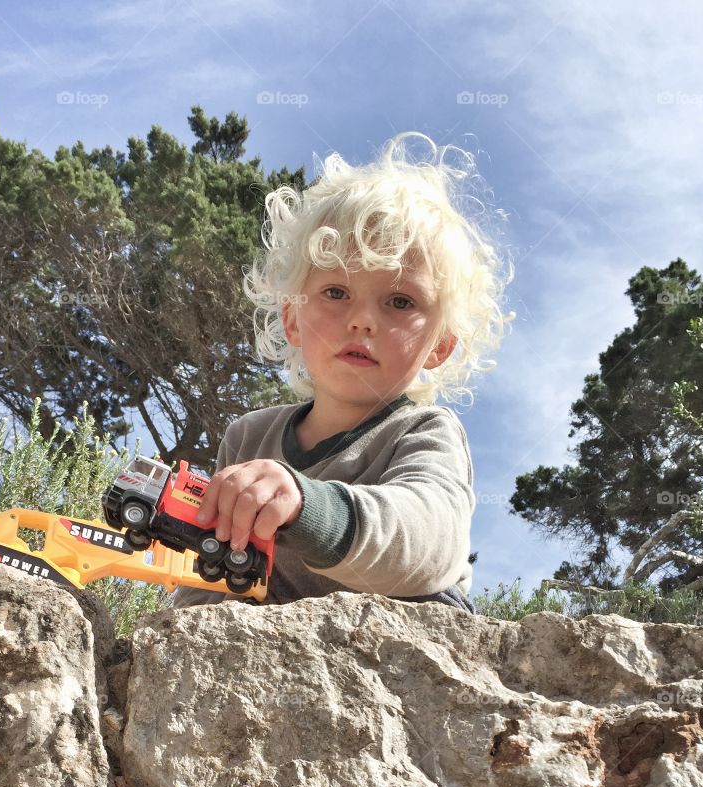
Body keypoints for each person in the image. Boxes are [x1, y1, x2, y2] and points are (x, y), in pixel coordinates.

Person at [170, 132, 514, 613]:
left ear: (439, 345)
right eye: (336, 292)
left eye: (400, 301)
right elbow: (208, 565)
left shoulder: (423, 431)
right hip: (272, 639)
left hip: (406, 637)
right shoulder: (248, 437)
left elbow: (431, 540)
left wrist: (309, 508)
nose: (363, 320)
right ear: (293, 319)